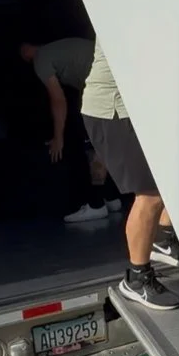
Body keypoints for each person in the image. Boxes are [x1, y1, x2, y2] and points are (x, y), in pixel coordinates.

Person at [82, 37, 179, 311]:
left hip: (137, 106)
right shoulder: (129, 15)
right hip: (113, 110)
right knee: (150, 194)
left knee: (172, 179)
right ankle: (136, 279)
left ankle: (163, 239)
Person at [20, 38, 122, 222]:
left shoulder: (41, 59)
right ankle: (110, 197)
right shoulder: (60, 51)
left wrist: (58, 137)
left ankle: (96, 205)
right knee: (104, 140)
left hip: (104, 84)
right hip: (115, 76)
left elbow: (58, 100)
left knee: (93, 144)